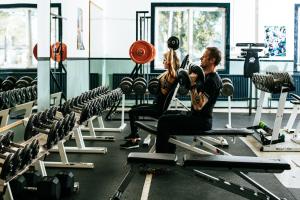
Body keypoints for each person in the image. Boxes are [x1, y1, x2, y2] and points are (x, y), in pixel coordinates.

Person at [155, 47, 223, 153]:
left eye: (204, 56)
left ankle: (160, 160)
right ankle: (168, 154)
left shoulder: (212, 81)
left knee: (164, 121)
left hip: (201, 121)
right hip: (195, 116)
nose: (201, 58)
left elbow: (198, 106)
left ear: (212, 60)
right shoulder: (205, 77)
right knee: (166, 114)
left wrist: (192, 85)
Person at [120, 49, 180, 149]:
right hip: (157, 105)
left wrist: (156, 86)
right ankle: (135, 135)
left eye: (165, 60)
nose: (163, 62)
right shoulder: (167, 74)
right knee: (134, 108)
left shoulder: (171, 76)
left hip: (159, 109)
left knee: (132, 112)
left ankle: (134, 140)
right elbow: (158, 88)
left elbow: (164, 91)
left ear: (170, 62)